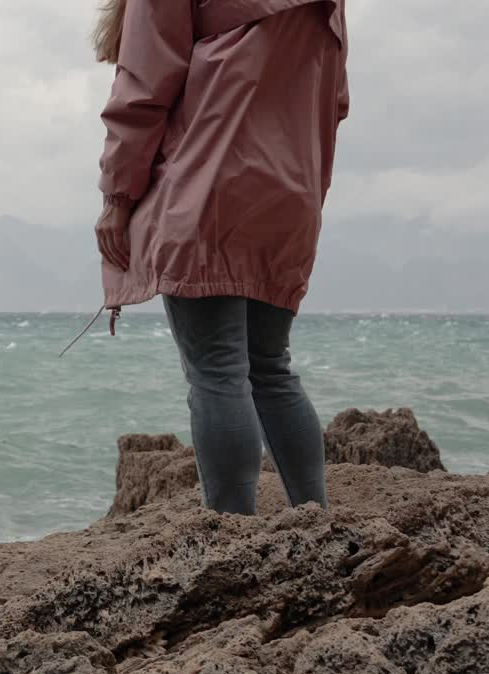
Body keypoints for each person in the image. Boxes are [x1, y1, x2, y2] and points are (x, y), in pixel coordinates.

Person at [92, 0, 350, 515]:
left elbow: (144, 85)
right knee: (271, 368)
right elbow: (335, 98)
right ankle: (318, 529)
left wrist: (117, 197)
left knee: (216, 371)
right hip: (290, 189)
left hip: (206, 186)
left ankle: (231, 543)